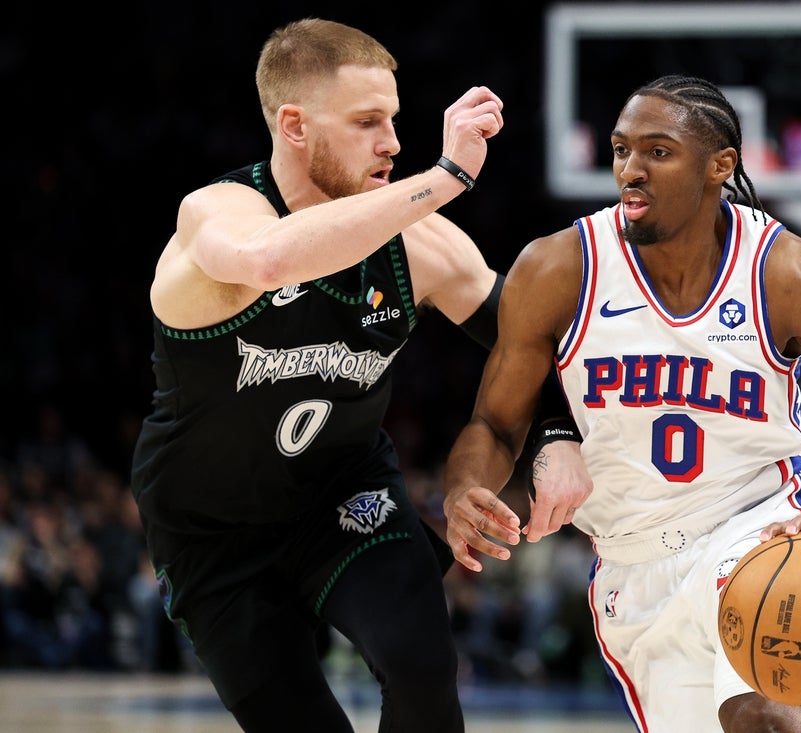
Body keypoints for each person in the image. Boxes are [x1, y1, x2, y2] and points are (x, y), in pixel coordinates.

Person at [130, 18, 586, 733]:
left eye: (394, 120)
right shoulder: (216, 213)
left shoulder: (421, 245)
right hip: (211, 531)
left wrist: (555, 437)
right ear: (294, 125)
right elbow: (269, 260)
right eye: (367, 122)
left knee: (422, 665)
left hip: (343, 498)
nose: (394, 143)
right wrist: (445, 177)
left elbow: (533, 345)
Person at [442, 75, 801, 732]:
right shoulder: (559, 267)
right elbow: (494, 423)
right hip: (631, 566)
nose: (630, 169)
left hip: (755, 533)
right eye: (621, 149)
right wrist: (465, 489)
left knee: (765, 713)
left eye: (658, 151)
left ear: (719, 165)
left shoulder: (789, 271)